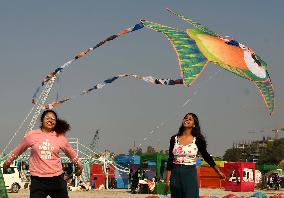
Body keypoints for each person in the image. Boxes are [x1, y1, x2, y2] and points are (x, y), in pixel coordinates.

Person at [3, 110, 83, 198]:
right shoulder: (32, 135)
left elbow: (71, 153)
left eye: (53, 119)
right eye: (47, 118)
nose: (50, 120)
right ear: (42, 120)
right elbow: (18, 150)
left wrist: (79, 165)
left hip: (57, 179)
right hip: (38, 181)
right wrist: (7, 162)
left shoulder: (60, 137)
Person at [164, 113, 225, 198]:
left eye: (190, 119)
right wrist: (167, 181)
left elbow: (206, 156)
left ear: (194, 124)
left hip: (189, 173)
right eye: (185, 118)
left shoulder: (197, 139)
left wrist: (218, 171)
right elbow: (170, 159)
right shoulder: (174, 139)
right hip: (175, 174)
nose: (187, 120)